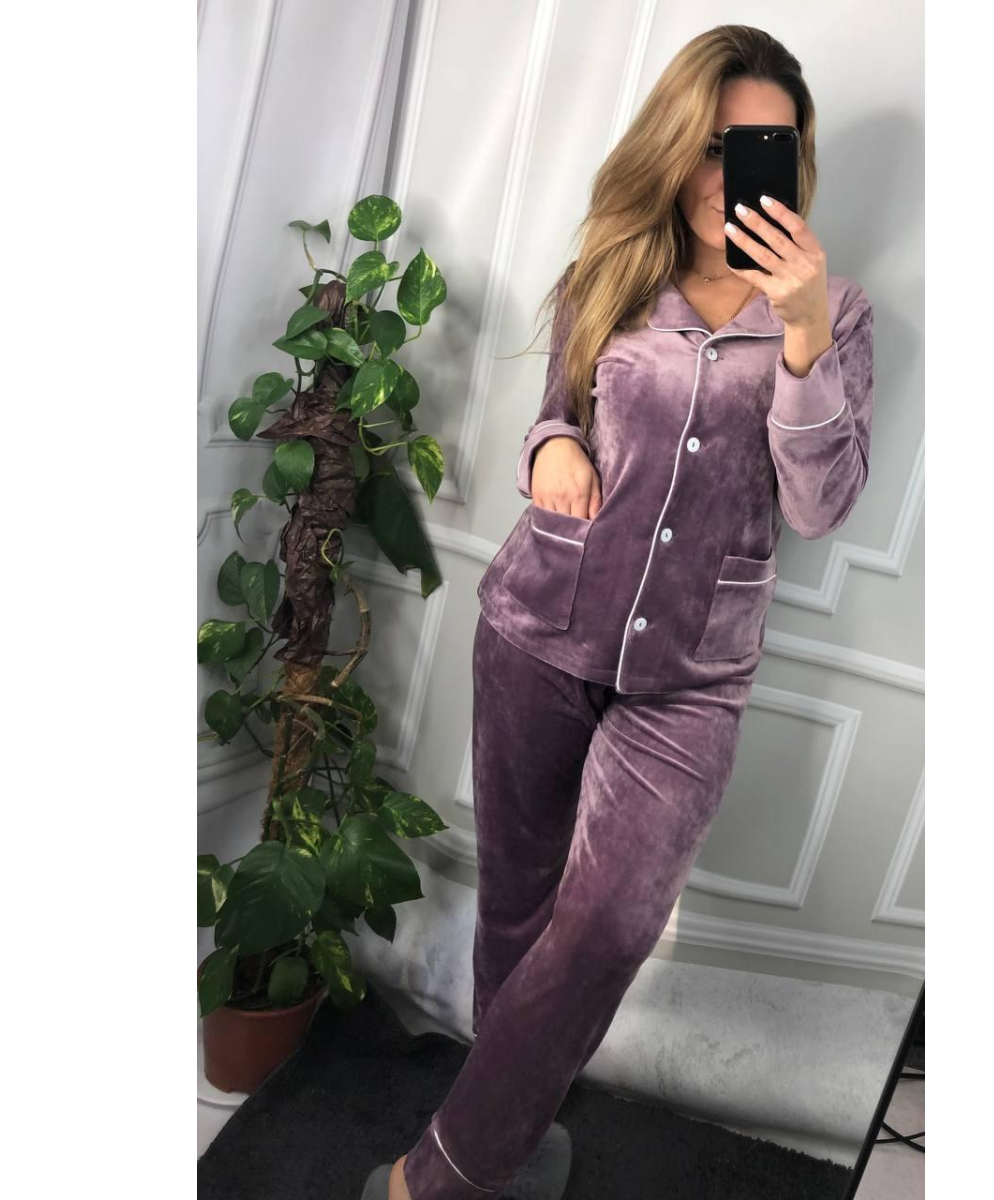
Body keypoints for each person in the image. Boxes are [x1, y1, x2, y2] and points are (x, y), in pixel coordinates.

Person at [364, 22, 875, 1200]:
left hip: (693, 674)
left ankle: (434, 1179)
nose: (730, 174)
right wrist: (549, 449)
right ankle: (507, 1139)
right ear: (675, 146)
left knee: (605, 929)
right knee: (516, 905)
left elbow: (821, 504)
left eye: (764, 148)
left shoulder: (836, 313)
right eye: (714, 145)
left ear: (793, 162)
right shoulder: (612, 268)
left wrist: (801, 332)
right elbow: (557, 413)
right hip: (540, 625)